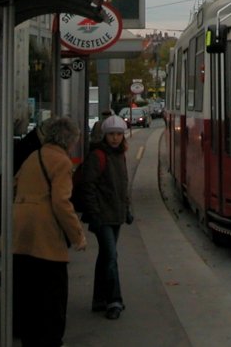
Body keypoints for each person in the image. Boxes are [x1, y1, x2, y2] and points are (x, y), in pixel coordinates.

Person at [12, 116, 88, 347]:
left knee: (28, 296)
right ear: (69, 139)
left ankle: (30, 339)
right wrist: (78, 236)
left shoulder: (34, 156)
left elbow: (16, 184)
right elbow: (61, 203)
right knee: (53, 297)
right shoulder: (62, 162)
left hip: (20, 233)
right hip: (44, 236)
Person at [81, 114, 133, 320]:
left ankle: (99, 298)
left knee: (105, 256)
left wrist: (126, 209)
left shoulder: (120, 155)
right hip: (102, 216)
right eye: (111, 134)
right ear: (105, 136)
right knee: (111, 257)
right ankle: (114, 300)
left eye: (118, 134)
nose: (115, 138)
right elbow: (89, 186)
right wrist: (94, 213)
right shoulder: (98, 156)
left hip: (116, 215)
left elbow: (123, 184)